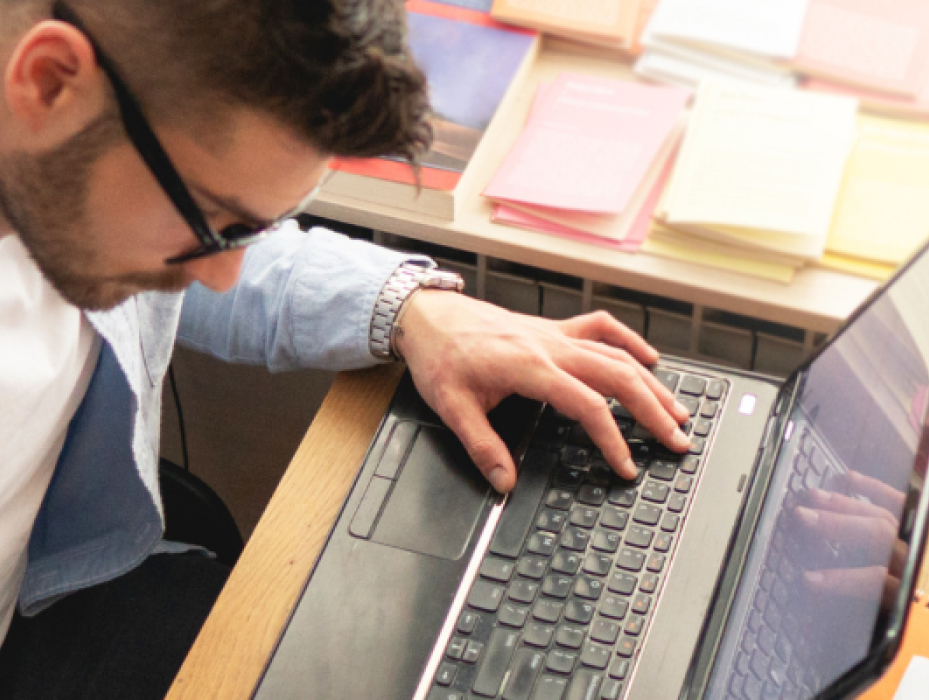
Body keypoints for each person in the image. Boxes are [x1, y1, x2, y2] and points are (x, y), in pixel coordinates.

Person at [0, 0, 691, 696]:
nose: (221, 273)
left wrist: (411, 311)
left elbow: (199, 247)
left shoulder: (73, 162)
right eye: (213, 223)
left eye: (246, 229)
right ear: (50, 81)